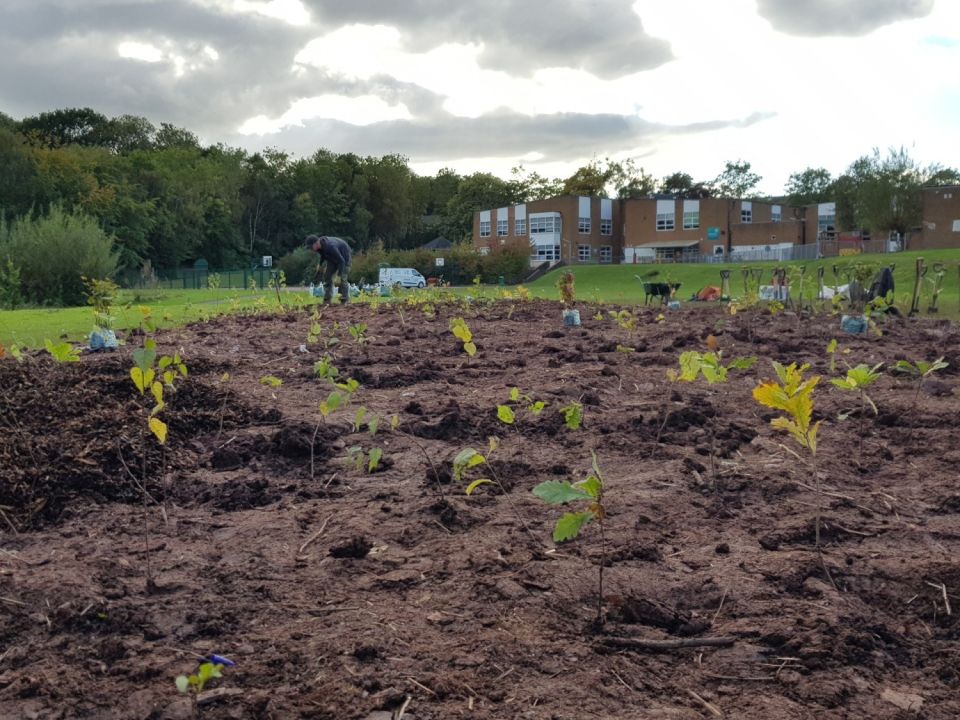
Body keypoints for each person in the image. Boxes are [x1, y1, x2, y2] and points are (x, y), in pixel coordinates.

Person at [305, 234, 352, 304]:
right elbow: (323, 255)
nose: (311, 249)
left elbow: (341, 261)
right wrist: (320, 265)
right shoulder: (319, 247)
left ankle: (344, 300)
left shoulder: (330, 246)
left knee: (342, 279)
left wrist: (338, 276)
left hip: (344, 258)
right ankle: (327, 300)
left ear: (316, 243)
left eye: (311, 247)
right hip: (332, 259)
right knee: (327, 277)